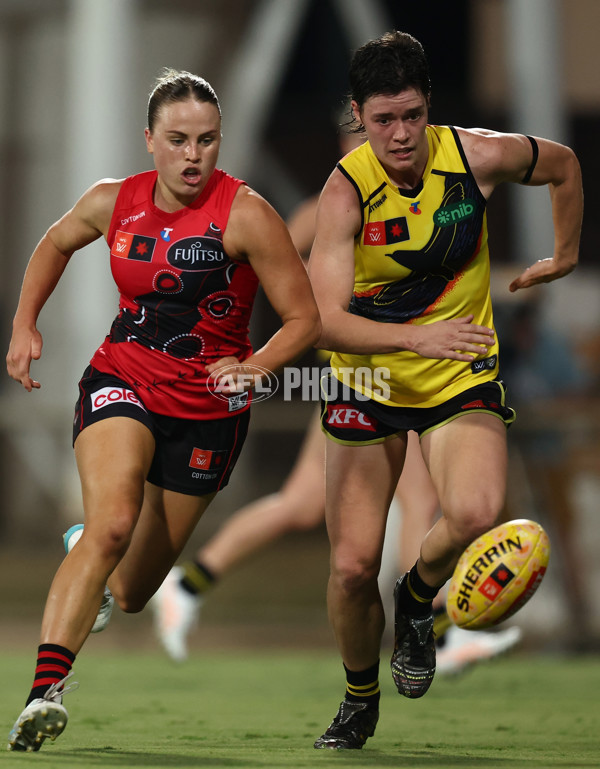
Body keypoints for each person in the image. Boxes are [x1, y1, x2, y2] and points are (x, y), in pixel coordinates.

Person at [5, 68, 320, 752]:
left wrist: (259, 365)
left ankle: (90, 559)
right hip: (122, 378)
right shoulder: (113, 201)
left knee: (135, 589)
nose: (192, 154)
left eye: (206, 140)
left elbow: (304, 320)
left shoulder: (248, 213)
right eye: (177, 139)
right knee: (112, 522)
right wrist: (25, 323)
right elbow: (55, 242)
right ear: (149, 140)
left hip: (208, 413)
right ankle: (42, 694)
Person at [151, 127, 521, 671]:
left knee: (302, 504)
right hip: (358, 375)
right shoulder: (328, 205)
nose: (391, 144)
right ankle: (435, 633)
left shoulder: (407, 199)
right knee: (417, 500)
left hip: (384, 373)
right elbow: (269, 269)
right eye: (367, 136)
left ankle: (187, 583)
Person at [307, 31, 582, 750]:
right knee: (350, 565)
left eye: (413, 115)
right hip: (366, 378)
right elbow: (326, 322)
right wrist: (414, 338)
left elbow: (563, 163)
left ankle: (417, 595)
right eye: (383, 120)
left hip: (458, 373)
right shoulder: (344, 193)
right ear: (358, 119)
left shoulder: (477, 155)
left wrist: (565, 254)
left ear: (429, 107)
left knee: (475, 510)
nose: (401, 134)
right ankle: (359, 696)